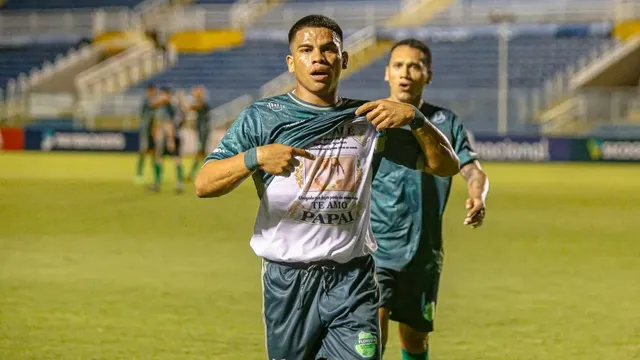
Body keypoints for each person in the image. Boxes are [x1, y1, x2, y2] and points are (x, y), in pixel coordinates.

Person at [195, 15, 460, 360]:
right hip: (288, 281)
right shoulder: (262, 119)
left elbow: (446, 166)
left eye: (328, 49)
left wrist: (416, 119)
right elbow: (204, 183)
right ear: (291, 63)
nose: (318, 57)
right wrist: (255, 158)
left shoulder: (367, 120)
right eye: (306, 50)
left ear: (344, 59)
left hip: (353, 280)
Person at [371, 38, 490, 360]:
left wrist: (477, 195)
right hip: (374, 248)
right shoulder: (372, 121)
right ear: (387, 74)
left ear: (428, 74)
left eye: (414, 66)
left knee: (415, 339)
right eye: (398, 65)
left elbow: (473, 169)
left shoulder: (445, 123)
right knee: (372, 330)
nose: (405, 72)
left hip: (424, 251)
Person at [148, 87, 185, 193]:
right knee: (160, 159)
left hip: (171, 137)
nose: (161, 97)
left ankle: (178, 183)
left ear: (168, 95)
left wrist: (170, 139)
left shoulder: (169, 108)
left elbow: (169, 124)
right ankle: (158, 183)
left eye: (163, 94)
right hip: (165, 137)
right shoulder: (163, 107)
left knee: (175, 159)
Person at [183, 85, 211, 181]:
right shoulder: (201, 103)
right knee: (202, 153)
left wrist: (185, 103)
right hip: (201, 131)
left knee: (199, 152)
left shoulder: (203, 103)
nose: (193, 94)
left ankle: (192, 173)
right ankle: (207, 173)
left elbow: (193, 107)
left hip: (203, 131)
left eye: (195, 92)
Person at [134, 84, 157, 185]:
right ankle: (139, 173)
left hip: (151, 129)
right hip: (145, 129)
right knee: (143, 150)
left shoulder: (154, 102)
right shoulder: (147, 101)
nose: (152, 93)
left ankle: (156, 175)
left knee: (153, 152)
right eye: (151, 91)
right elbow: (154, 106)